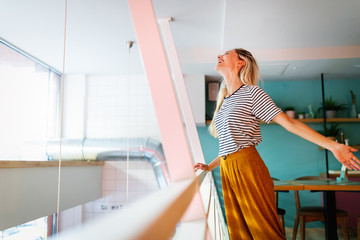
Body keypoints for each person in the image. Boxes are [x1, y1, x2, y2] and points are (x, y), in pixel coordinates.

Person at [194, 48, 360, 240]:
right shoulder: (225, 101)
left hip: (247, 167)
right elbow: (228, 147)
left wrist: (334, 146)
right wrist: (209, 166)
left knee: (263, 232)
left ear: (241, 63)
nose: (219, 56)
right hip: (227, 169)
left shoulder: (252, 93)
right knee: (240, 232)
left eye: (226, 54)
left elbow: (289, 123)